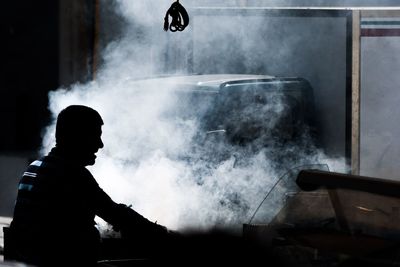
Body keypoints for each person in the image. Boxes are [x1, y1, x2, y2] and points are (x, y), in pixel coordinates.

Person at [9, 105, 169, 266]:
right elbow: (115, 213)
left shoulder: (34, 167)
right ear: (76, 137)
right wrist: (163, 234)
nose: (100, 145)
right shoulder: (70, 173)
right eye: (95, 136)